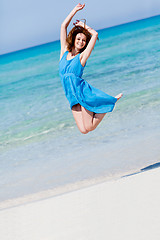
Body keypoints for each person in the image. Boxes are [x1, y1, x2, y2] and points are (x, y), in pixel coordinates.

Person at [59, 3, 123, 134]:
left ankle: (107, 105)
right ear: (74, 38)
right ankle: (104, 104)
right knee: (83, 130)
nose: (81, 42)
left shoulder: (82, 57)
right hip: (71, 97)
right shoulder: (64, 52)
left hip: (82, 94)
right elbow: (63, 26)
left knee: (90, 127)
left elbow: (95, 34)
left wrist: (83, 26)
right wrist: (75, 10)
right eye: (79, 38)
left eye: (83, 40)